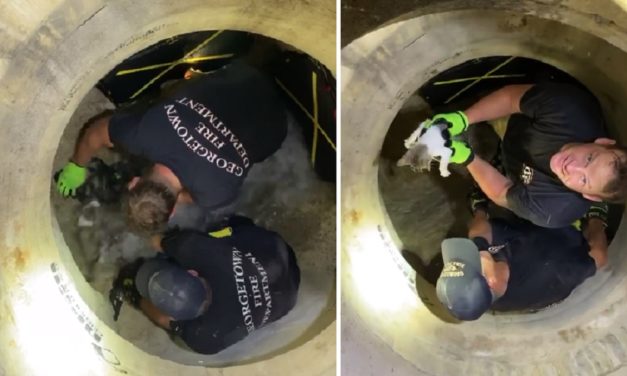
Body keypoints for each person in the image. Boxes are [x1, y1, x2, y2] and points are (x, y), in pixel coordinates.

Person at [55, 60, 288, 234]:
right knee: (168, 98)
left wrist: (76, 168)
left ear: (175, 208)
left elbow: (198, 200)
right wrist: (77, 164)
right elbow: (97, 132)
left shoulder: (216, 194)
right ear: (134, 182)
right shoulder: (146, 133)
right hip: (243, 76)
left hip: (277, 121)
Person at [427, 82, 627, 228]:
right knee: (492, 112)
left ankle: (497, 158)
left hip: (516, 171)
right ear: (603, 142)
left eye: (583, 179)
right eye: (590, 158)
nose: (571, 167)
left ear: (589, 196)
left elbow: (503, 193)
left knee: (503, 175)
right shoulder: (570, 108)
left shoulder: (555, 210)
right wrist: (463, 118)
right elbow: (511, 99)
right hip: (518, 122)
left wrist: (466, 158)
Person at [122, 216, 300, 354]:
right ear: (192, 273)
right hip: (274, 250)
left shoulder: (206, 339)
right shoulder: (195, 249)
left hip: (288, 296)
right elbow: (157, 241)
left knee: (216, 235)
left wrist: (137, 299)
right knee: (217, 230)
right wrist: (168, 241)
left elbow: (162, 319)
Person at [435, 203, 607, 320]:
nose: (471, 252)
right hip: (558, 237)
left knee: (484, 233)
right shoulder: (557, 269)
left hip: (519, 239)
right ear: (491, 281)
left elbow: (477, 231)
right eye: (471, 260)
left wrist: (480, 209)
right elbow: (598, 257)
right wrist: (596, 218)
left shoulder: (482, 294)